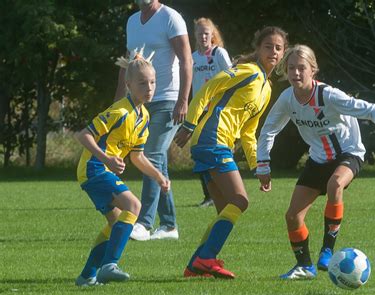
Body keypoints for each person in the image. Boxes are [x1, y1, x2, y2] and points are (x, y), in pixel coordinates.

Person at [256, 44, 375, 280]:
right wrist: (263, 164)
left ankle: (327, 249)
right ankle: (305, 267)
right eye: (291, 68)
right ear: (285, 71)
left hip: (348, 154)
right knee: (292, 216)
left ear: (313, 70)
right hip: (318, 159)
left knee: (335, 184)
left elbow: (370, 109)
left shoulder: (328, 95)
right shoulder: (287, 98)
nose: (296, 73)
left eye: (301, 68)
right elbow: (268, 130)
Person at [174, 26, 288, 279]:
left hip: (218, 143)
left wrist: (259, 166)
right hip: (211, 139)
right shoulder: (247, 71)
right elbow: (207, 90)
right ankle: (206, 259)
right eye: (268, 46)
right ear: (258, 49)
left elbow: (249, 132)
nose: (273, 51)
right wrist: (190, 123)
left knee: (225, 207)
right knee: (240, 200)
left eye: (278, 48)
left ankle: (194, 266)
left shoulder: (266, 88)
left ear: (283, 54)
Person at [75, 49, 170, 286]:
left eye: (152, 82)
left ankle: (87, 276)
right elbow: (84, 135)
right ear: (128, 84)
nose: (149, 88)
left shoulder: (144, 116)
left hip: (101, 170)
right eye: (142, 83)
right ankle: (110, 266)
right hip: (94, 168)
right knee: (134, 205)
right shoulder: (119, 111)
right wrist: (106, 158)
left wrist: (158, 176)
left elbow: (137, 157)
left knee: (116, 223)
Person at [114, 0, 193, 241]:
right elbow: (128, 67)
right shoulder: (132, 22)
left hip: (168, 100)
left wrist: (183, 101)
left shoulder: (170, 17)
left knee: (151, 154)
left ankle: (144, 223)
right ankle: (169, 226)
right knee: (156, 160)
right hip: (140, 104)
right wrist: (117, 105)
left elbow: (187, 60)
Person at [191, 17, 232, 207]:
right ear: (195, 35)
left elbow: (232, 78)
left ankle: (226, 190)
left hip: (217, 109)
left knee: (219, 150)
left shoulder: (219, 53)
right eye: (200, 34)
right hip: (199, 110)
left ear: (212, 34)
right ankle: (209, 195)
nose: (203, 37)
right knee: (200, 152)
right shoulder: (192, 57)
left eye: (206, 33)